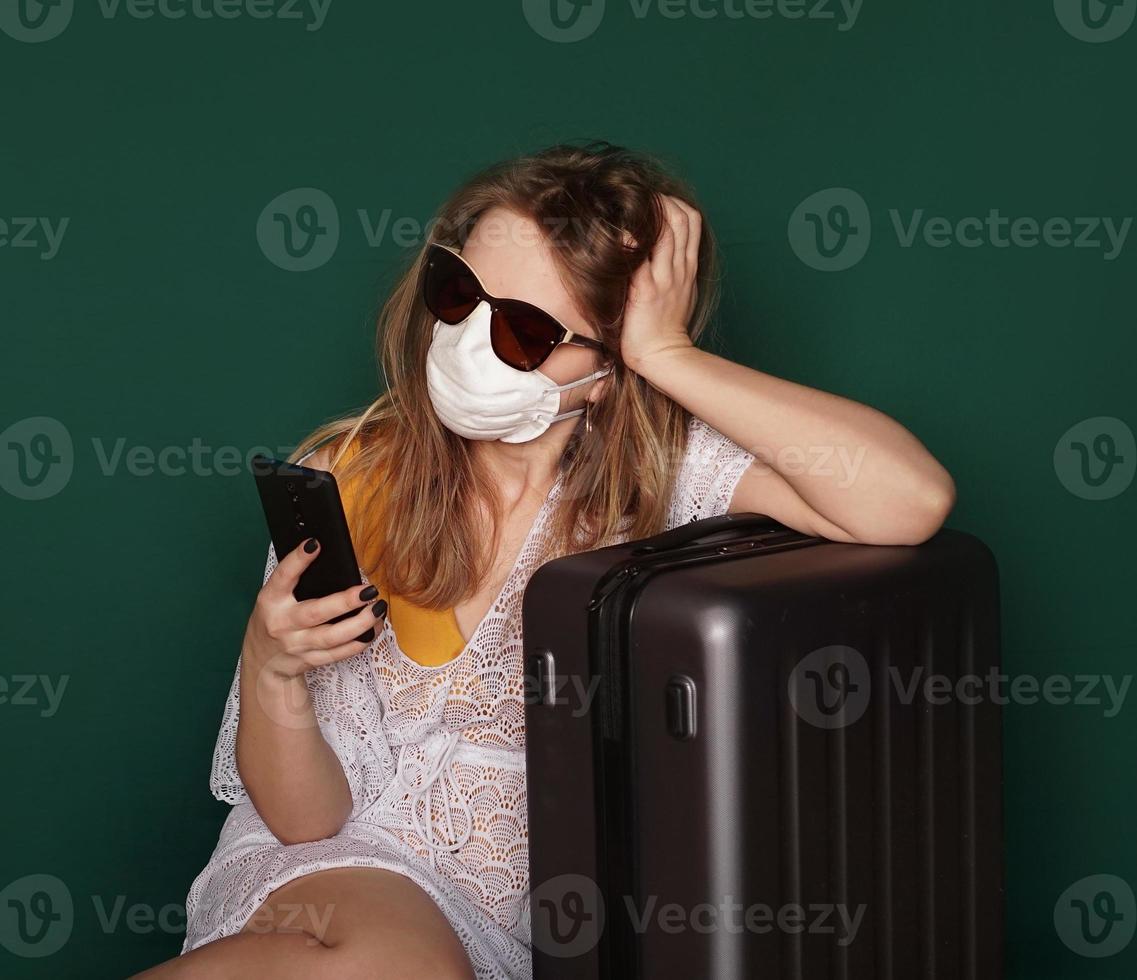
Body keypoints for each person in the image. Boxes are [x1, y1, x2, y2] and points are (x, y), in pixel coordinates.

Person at [134, 143, 955, 979]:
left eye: (524, 331)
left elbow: (907, 499)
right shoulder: (356, 477)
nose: (468, 341)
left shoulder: (658, 482)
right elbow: (308, 821)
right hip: (325, 867)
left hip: (508, 916)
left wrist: (667, 356)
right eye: (457, 294)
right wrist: (269, 666)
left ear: (604, 369)